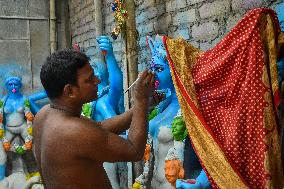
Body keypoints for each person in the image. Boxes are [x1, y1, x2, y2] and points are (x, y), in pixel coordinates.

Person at [33, 49, 155, 188]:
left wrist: (142, 107)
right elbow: (134, 151)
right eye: (90, 79)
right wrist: (141, 100)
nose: (97, 80)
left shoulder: (44, 115)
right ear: (69, 91)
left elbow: (99, 128)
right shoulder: (75, 131)